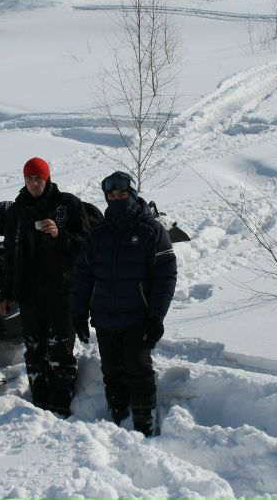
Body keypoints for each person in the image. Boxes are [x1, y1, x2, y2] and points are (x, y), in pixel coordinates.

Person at [71, 171, 177, 436]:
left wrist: (156, 317)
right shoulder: (98, 233)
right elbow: (83, 275)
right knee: (111, 372)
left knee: (138, 370)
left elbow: (165, 277)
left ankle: (145, 424)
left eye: (122, 194)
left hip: (138, 319)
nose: (117, 198)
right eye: (112, 195)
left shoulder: (151, 230)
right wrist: (79, 313)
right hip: (105, 317)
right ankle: (118, 420)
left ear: (132, 194)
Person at [0, 157, 89, 417]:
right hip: (29, 293)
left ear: (47, 178)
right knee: (35, 349)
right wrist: (6, 292)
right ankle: (39, 406)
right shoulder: (17, 211)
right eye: (29, 178)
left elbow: (86, 246)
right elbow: (9, 255)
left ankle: (60, 407)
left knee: (59, 349)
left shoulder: (68, 204)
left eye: (38, 178)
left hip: (61, 290)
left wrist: (60, 235)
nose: (34, 183)